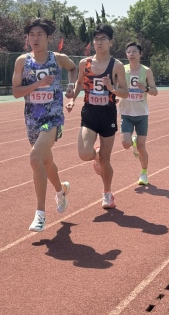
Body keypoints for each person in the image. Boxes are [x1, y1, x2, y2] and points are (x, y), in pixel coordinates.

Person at [12, 17, 78, 232]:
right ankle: (61, 191)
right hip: (32, 118)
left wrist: (71, 86)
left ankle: (40, 214)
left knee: (35, 158)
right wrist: (38, 84)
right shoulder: (22, 61)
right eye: (31, 35)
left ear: (48, 37)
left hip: (53, 118)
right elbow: (16, 92)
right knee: (46, 162)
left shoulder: (58, 59)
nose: (35, 38)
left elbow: (73, 68)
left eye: (39, 34)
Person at [65, 24, 129, 209]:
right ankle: (95, 156)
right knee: (84, 153)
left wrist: (112, 88)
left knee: (106, 159)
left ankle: (107, 194)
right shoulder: (84, 63)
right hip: (90, 112)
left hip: (108, 113)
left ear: (111, 42)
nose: (99, 42)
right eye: (96, 39)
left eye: (103, 39)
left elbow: (125, 92)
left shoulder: (116, 65)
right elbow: (79, 83)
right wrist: (72, 99)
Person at [120, 41, 158, 185]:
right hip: (126, 113)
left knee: (142, 147)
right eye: (129, 52)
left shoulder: (146, 71)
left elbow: (155, 91)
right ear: (126, 55)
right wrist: (116, 96)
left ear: (140, 54)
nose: (131, 54)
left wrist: (146, 89)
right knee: (125, 144)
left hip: (142, 114)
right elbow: (117, 87)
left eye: (134, 51)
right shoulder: (122, 70)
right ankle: (133, 142)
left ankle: (144, 173)